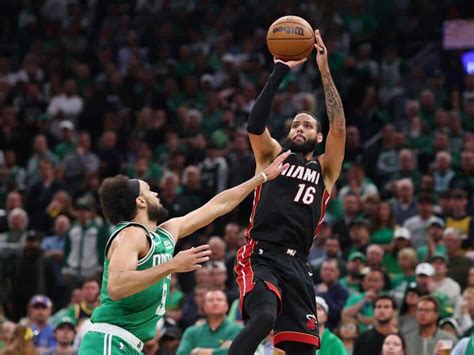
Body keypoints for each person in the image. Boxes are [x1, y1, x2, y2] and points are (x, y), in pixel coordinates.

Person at [79, 151, 290, 354]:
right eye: (149, 191)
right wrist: (172, 265)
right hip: (110, 341)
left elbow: (218, 205)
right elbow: (116, 287)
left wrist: (261, 177)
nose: (156, 193)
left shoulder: (165, 233)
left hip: (130, 345)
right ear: (140, 201)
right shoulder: (131, 233)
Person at [230, 30, 346, 355]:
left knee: (303, 351)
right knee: (264, 316)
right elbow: (254, 125)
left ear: (318, 137)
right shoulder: (272, 155)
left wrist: (324, 71)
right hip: (262, 254)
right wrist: (280, 69)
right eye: (295, 124)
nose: (299, 128)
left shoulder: (326, 169)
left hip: (299, 265)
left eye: (307, 125)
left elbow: (339, 127)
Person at [176, 289, 242, 355]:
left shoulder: (238, 330)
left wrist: (199, 352)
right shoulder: (192, 332)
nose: (215, 303)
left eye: (219, 300)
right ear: (204, 307)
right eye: (210, 300)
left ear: (226, 306)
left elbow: (238, 352)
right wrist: (220, 351)